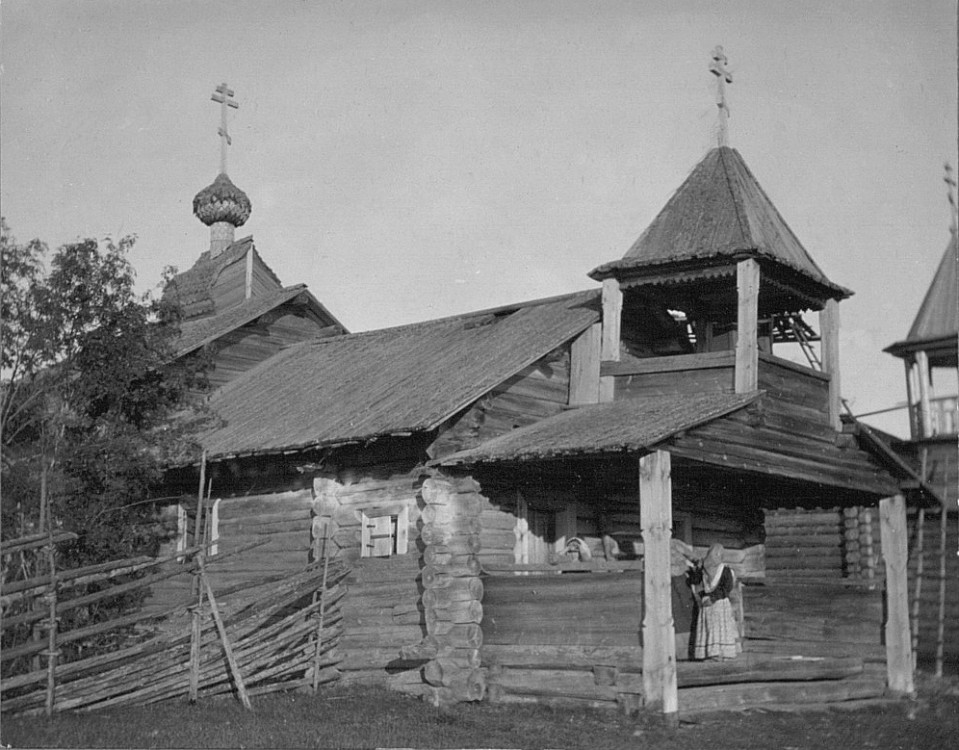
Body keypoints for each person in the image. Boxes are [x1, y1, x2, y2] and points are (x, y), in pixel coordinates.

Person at [688, 543, 742, 660]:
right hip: (710, 603)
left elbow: (726, 588)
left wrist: (712, 598)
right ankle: (711, 653)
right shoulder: (704, 569)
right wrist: (696, 569)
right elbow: (695, 581)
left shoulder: (725, 570)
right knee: (712, 627)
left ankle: (720, 653)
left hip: (717, 602)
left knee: (718, 627)